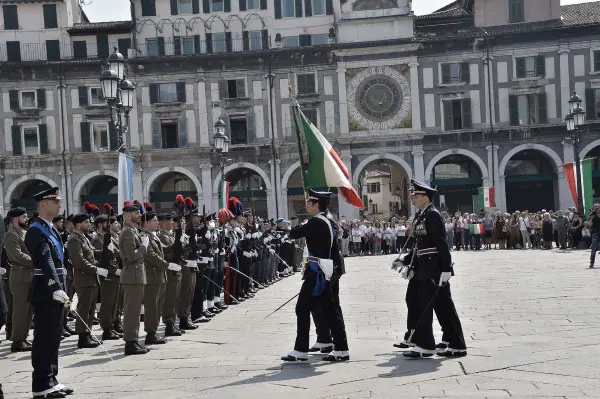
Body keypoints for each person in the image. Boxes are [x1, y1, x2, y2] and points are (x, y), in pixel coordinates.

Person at [399, 180, 466, 358]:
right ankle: (454, 343)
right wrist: (407, 261)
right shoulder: (423, 215)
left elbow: (441, 243)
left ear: (425, 197)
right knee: (443, 306)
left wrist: (446, 268)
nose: (412, 197)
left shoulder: (433, 215)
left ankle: (426, 345)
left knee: (425, 305)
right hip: (425, 266)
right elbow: (420, 245)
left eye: (415, 195)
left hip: (433, 267)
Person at [281, 189, 349, 362]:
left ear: (316, 204)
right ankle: (340, 347)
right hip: (323, 269)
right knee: (329, 309)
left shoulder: (317, 222)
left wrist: (292, 226)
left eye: (309, 202)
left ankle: (301, 349)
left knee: (303, 307)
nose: (306, 205)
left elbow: (294, 233)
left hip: (318, 271)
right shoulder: (326, 220)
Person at [25, 186, 74, 398]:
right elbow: (44, 261)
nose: (59, 204)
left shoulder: (50, 228)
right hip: (46, 291)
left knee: (54, 337)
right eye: (55, 201)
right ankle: (41, 386)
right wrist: (55, 286)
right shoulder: (36, 230)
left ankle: (51, 380)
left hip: (56, 287)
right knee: (44, 339)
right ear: (43, 204)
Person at [67, 213, 107, 349]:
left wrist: (106, 250)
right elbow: (79, 261)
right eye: (86, 222)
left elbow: (93, 252)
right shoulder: (74, 239)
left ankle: (88, 334)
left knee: (90, 310)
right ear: (78, 224)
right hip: (84, 279)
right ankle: (82, 338)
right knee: (84, 309)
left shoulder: (83, 237)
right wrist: (96, 269)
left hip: (91, 279)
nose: (89, 224)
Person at [119, 200, 150, 356]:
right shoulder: (127, 232)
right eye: (137, 213)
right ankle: (130, 343)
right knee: (131, 311)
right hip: (132, 275)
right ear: (129, 215)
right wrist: (143, 246)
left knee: (136, 310)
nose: (140, 215)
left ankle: (134, 340)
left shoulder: (132, 231)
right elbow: (131, 256)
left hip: (136, 275)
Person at [4, 207, 34, 352]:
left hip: (29, 275)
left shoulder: (24, 233)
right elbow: (17, 255)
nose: (27, 219)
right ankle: (17, 340)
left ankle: (23, 338)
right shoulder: (11, 235)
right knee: (20, 310)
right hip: (19, 276)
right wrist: (36, 260)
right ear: (15, 219)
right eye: (24, 217)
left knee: (29, 310)